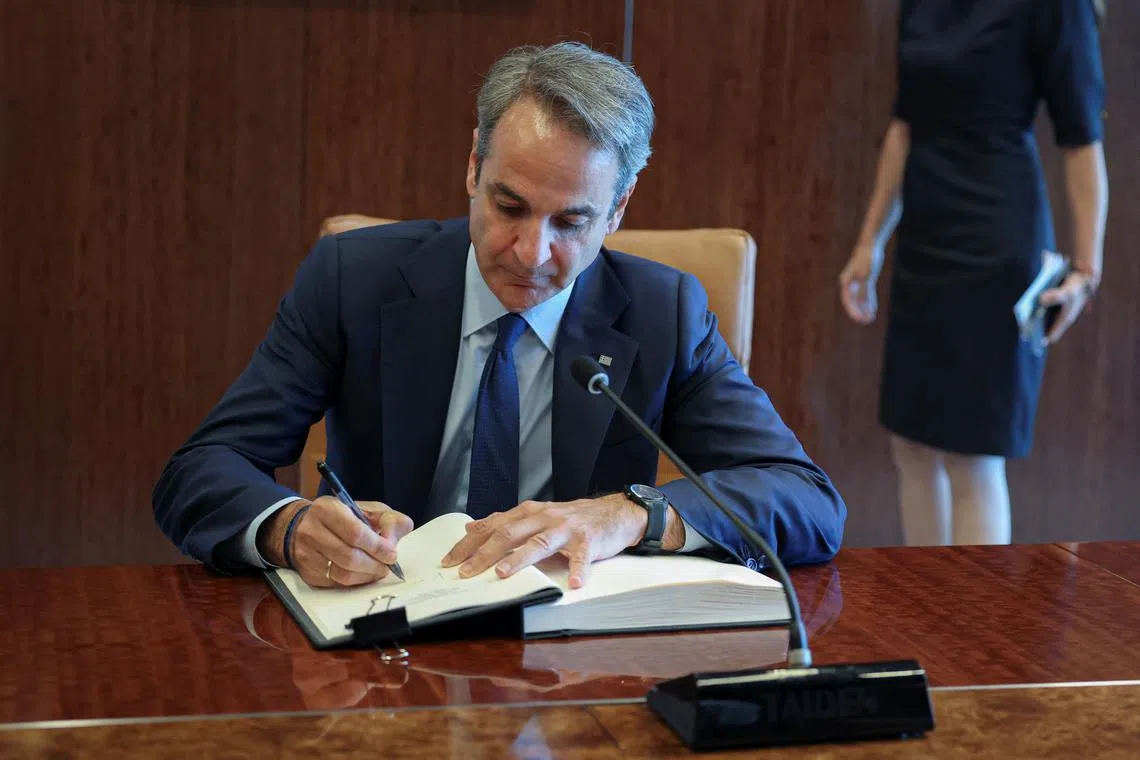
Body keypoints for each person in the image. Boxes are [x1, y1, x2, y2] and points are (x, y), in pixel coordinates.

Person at [153, 42, 846, 591]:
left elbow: (805, 500)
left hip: (573, 658)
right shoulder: (353, 280)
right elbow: (203, 469)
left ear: (620, 207)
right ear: (473, 167)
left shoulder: (663, 312)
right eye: (508, 206)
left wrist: (629, 515)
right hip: (390, 646)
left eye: (571, 221)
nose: (529, 252)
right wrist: (289, 526)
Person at [839, 0, 1109, 546]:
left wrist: (1086, 267)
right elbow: (905, 126)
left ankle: (972, 628)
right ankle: (925, 616)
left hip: (996, 243)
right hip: (924, 238)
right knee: (910, 445)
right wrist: (871, 242)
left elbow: (1081, 141)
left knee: (973, 455)